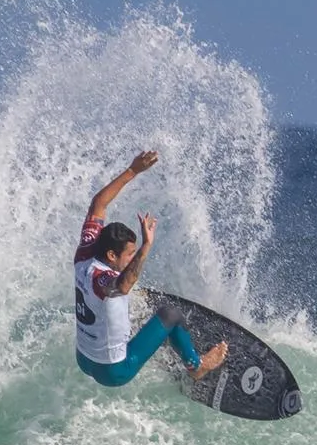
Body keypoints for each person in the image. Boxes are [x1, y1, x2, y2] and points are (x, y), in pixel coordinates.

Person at [73, 150, 227, 387]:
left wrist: (133, 170)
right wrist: (146, 245)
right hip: (114, 372)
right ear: (111, 254)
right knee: (170, 314)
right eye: (129, 254)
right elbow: (123, 285)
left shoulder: (85, 252)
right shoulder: (100, 280)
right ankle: (197, 367)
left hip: (84, 359)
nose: (132, 257)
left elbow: (98, 204)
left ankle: (154, 338)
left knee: (132, 307)